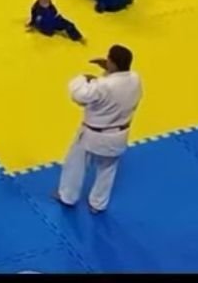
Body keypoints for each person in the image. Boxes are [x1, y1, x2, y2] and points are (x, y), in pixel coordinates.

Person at [55, 45, 142, 213]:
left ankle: (67, 196)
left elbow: (79, 96)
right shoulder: (135, 79)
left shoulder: (103, 86)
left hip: (93, 134)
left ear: (113, 63)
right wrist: (108, 72)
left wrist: (82, 78)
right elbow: (116, 87)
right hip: (120, 134)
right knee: (108, 169)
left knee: (76, 163)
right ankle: (98, 204)